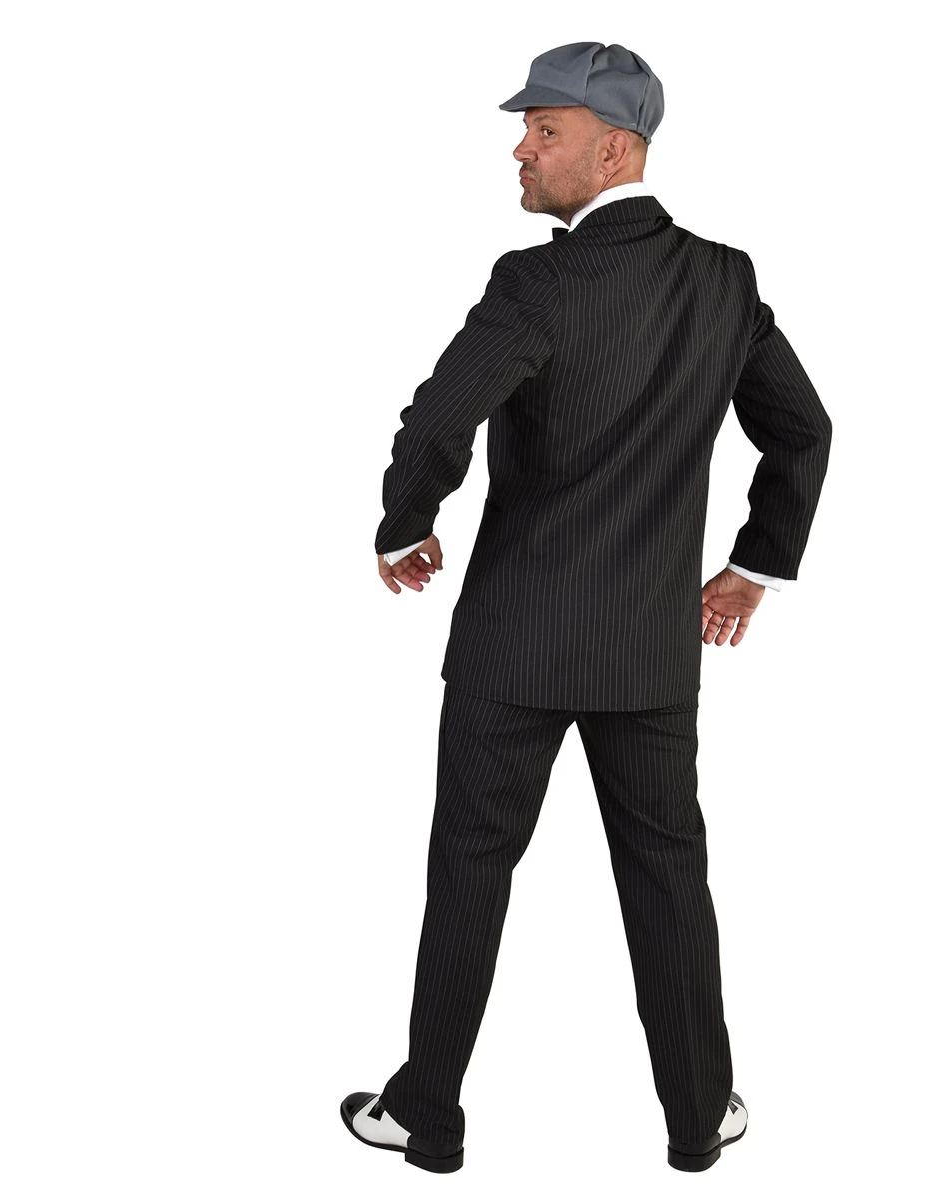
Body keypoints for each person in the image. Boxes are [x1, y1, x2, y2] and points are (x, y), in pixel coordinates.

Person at [340, 41, 832, 1173]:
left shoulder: (538, 284)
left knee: (470, 872)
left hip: (512, 642)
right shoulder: (724, 281)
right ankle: (698, 1117)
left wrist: (405, 525)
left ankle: (426, 1117)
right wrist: (755, 565)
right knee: (668, 880)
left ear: (613, 149)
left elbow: (437, 419)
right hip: (649, 650)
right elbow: (803, 430)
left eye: (543, 130)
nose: (520, 149)